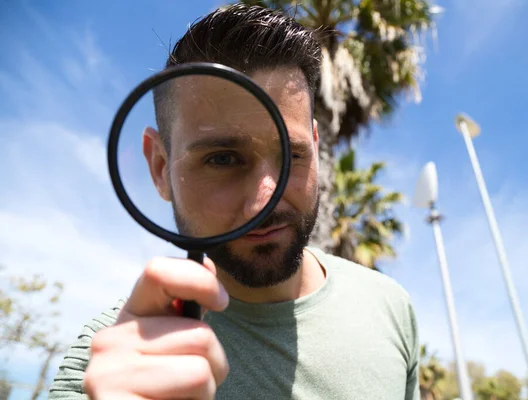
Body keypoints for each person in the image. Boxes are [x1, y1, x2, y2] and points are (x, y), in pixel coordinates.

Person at [49, 3, 420, 399]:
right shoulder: (111, 362)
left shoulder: (389, 306)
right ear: (160, 168)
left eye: (292, 155)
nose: (263, 201)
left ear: (314, 146)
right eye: (222, 159)